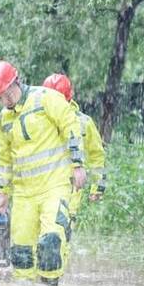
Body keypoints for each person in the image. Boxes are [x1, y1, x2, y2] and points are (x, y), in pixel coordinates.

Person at [0, 61, 86, 286]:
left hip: (54, 186)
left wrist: (78, 163)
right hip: (23, 194)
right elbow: (5, 159)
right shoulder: (4, 120)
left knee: (51, 243)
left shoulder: (46, 99)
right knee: (20, 254)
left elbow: (71, 125)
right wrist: (3, 192)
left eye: (7, 93)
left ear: (16, 82)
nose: (5, 100)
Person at [43, 73, 106, 224]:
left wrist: (98, 186)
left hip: (69, 194)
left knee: (61, 235)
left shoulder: (84, 123)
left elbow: (96, 155)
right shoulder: (37, 120)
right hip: (41, 190)